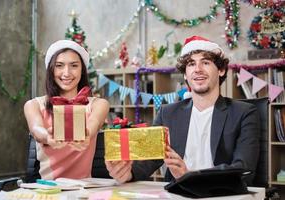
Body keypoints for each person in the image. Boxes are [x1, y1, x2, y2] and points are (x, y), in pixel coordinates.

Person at [105, 36, 260, 184]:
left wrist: (190, 176)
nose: (197, 69)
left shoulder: (244, 113)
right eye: (191, 64)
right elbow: (147, 161)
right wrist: (126, 173)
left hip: (221, 194)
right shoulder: (168, 113)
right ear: (185, 75)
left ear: (221, 70)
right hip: (176, 194)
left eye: (205, 62)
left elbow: (243, 169)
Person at [24, 40, 109, 180]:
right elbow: (36, 129)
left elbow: (94, 122)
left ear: (82, 70)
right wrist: (47, 137)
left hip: (84, 189)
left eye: (74, 65)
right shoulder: (33, 105)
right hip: (47, 189)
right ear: (51, 70)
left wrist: (87, 134)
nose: (67, 73)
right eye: (59, 66)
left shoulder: (98, 104)